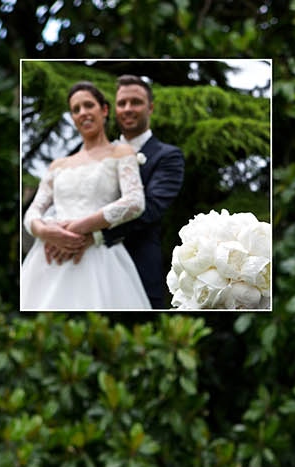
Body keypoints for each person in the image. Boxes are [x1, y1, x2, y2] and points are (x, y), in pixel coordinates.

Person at [20, 81, 151, 311]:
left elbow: (134, 202)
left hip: (98, 256)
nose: (83, 113)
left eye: (88, 105)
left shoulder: (121, 153)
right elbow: (33, 211)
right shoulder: (59, 165)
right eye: (76, 109)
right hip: (49, 255)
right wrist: (45, 231)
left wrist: (79, 228)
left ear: (104, 110)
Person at [103, 74, 186, 310]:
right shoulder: (98, 154)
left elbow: (151, 209)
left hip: (138, 263)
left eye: (136, 102)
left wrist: (96, 233)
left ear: (151, 107)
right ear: (113, 109)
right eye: (122, 103)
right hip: (90, 262)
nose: (128, 109)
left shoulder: (168, 156)